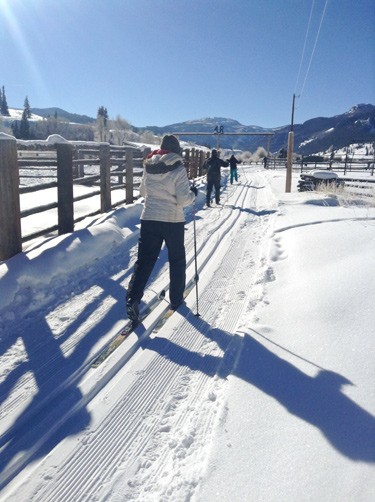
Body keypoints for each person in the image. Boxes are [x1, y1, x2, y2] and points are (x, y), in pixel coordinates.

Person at [126, 135, 198, 321]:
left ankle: (132, 299)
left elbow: (143, 192)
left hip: (149, 218)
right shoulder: (178, 167)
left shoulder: (148, 165)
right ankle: (176, 298)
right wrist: (193, 195)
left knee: (145, 260)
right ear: (177, 150)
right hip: (172, 221)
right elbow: (183, 199)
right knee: (176, 259)